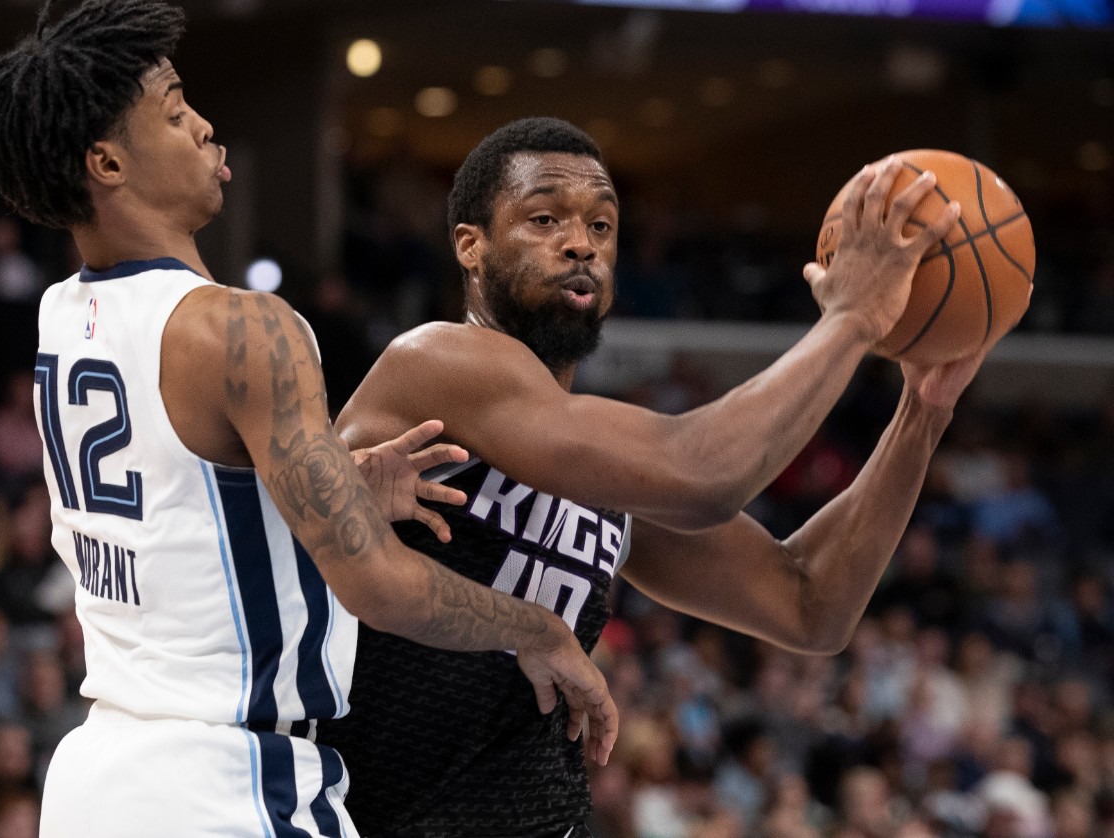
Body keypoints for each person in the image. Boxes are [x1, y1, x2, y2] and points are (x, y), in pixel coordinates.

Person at [0, 7, 616, 837]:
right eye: (172, 112)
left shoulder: (64, 315)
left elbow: (179, 503)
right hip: (227, 783)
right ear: (107, 162)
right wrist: (541, 630)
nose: (202, 126)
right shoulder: (244, 329)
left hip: (100, 777)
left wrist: (334, 489)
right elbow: (377, 584)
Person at [317, 116, 990, 837]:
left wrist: (919, 416)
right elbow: (703, 474)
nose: (581, 243)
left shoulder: (600, 461)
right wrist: (852, 317)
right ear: (469, 246)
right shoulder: (435, 362)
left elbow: (809, 603)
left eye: (602, 227)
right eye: (544, 218)